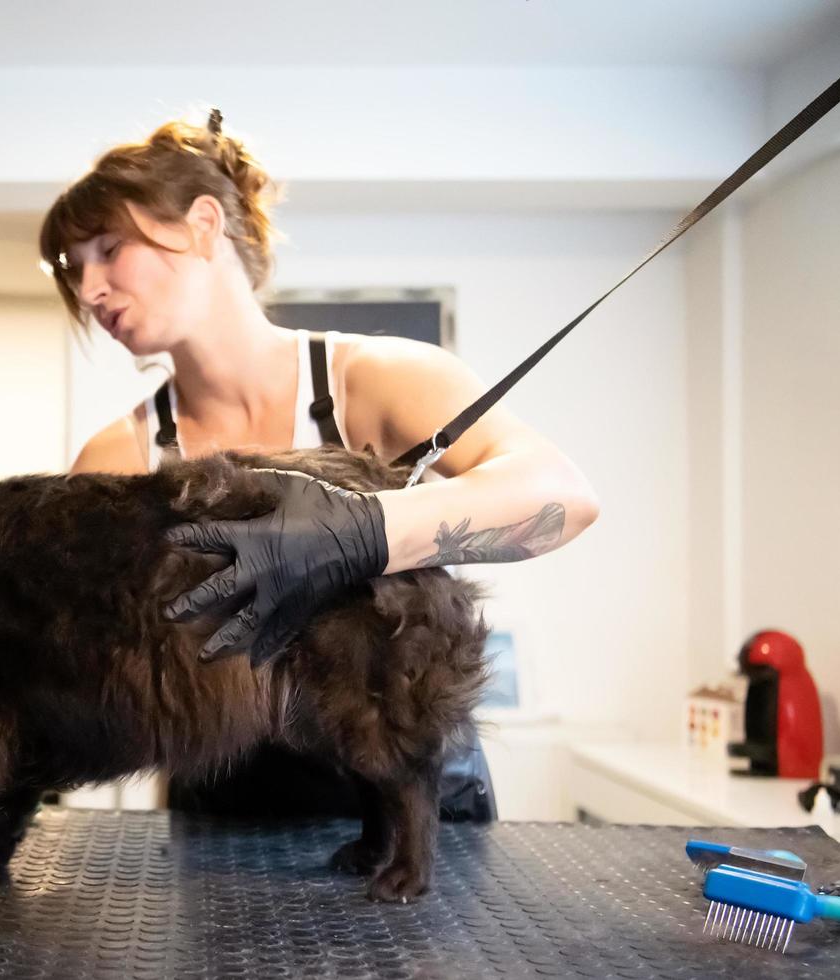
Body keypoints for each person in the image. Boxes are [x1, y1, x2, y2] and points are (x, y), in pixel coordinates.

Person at [43, 109, 600, 820]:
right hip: (226, 815)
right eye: (74, 268)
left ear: (203, 225)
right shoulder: (118, 457)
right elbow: (85, 662)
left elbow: (563, 496)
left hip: (412, 808)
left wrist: (358, 533)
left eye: (109, 249)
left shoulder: (374, 382)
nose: (89, 290)